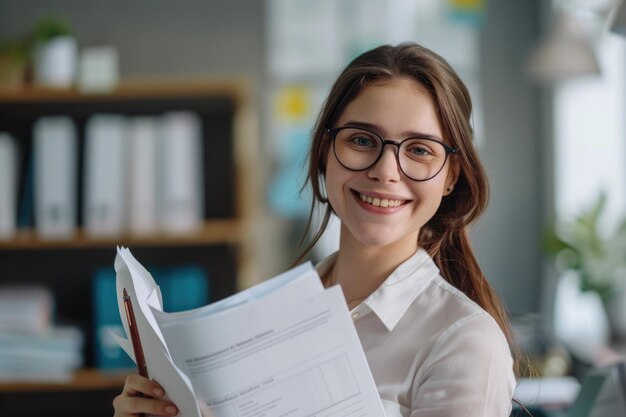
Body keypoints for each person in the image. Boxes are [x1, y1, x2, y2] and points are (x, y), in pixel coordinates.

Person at [113, 42, 518, 417]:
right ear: (325, 153)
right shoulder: (267, 316)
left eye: (419, 150)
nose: (385, 171)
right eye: (362, 139)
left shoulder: (465, 343)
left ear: (451, 176)